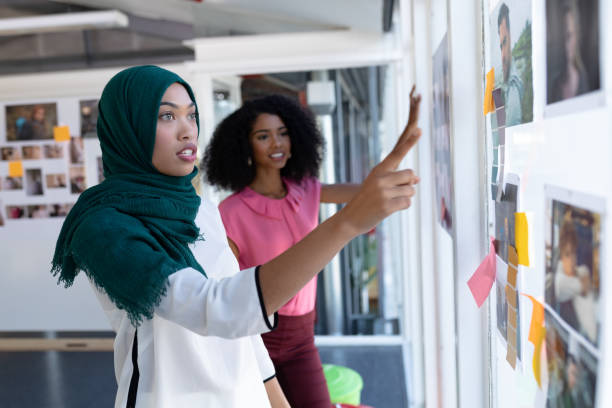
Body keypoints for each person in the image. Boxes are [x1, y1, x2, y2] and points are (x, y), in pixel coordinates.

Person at [50, 65, 421, 408]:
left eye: (191, 115)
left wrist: (277, 401)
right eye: (167, 116)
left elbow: (242, 337)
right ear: (127, 127)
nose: (187, 129)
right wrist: (347, 224)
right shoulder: (101, 226)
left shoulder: (201, 208)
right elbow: (215, 307)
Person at [203, 91, 420, 407]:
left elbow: (367, 193)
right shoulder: (231, 212)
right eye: (263, 136)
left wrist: (405, 140)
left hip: (302, 338)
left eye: (283, 133)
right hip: (254, 339)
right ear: (245, 146)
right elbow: (229, 291)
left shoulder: (307, 190)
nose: (277, 144)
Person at [554, 216, 597, 343]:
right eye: (568, 254)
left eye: (574, 253)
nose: (572, 260)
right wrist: (583, 283)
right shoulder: (560, 281)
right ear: (561, 255)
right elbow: (584, 285)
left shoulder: (582, 270)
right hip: (587, 340)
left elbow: (586, 278)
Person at [548, 0, 590, 103]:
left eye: (569, 36)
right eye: (561, 37)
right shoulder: (554, 85)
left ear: (577, 36)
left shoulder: (585, 83)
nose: (565, 45)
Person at [497, 3, 523, 126]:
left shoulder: (513, 86)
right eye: (501, 46)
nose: (503, 55)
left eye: (505, 42)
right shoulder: (505, 85)